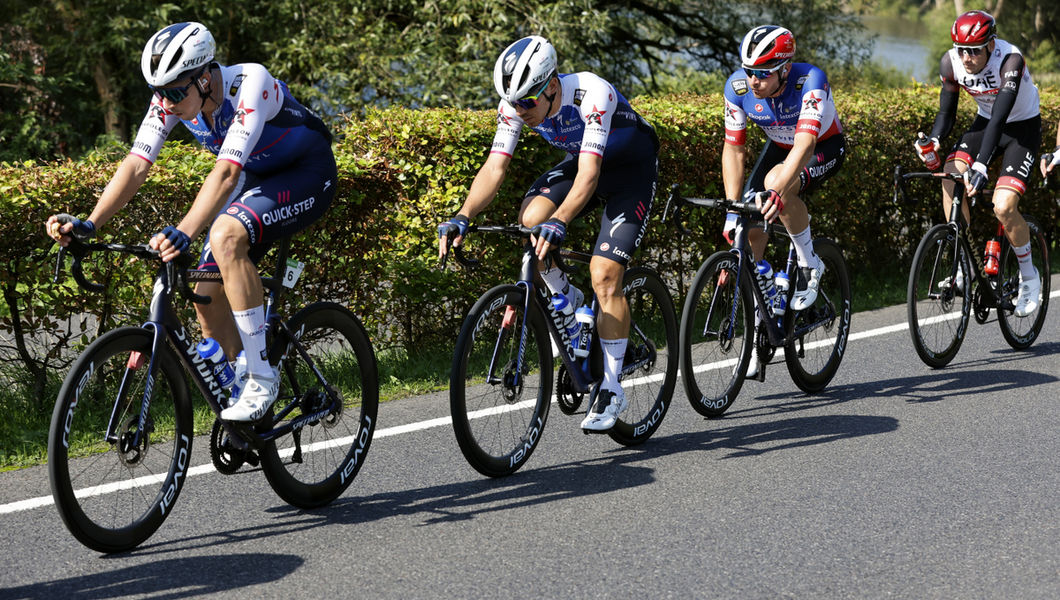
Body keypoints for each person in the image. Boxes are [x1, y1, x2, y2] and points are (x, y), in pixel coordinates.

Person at [45, 22, 336, 421]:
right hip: (256, 176)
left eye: (175, 92)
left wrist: (183, 231)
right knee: (204, 292)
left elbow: (226, 174)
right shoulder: (171, 99)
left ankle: (262, 377)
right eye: (157, 93)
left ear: (204, 77)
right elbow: (135, 165)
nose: (165, 104)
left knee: (226, 235)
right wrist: (90, 223)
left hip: (306, 172)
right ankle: (244, 403)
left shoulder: (249, 83)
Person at [437, 35, 659, 431]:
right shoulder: (515, 105)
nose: (520, 112)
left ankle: (610, 386)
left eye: (528, 102)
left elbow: (590, 176)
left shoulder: (593, 94)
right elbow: (494, 167)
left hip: (629, 171)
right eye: (514, 103)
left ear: (552, 85)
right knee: (531, 219)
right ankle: (566, 298)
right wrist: (463, 215)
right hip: (584, 163)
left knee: (605, 275)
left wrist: (561, 221)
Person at [721, 25, 846, 377]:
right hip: (779, 146)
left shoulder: (810, 81)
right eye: (749, 71)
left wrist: (778, 190)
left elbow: (805, 145)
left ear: (785, 69)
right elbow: (734, 148)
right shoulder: (737, 88)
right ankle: (763, 323)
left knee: (778, 186)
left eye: (762, 73)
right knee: (748, 224)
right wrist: (733, 206)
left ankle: (810, 262)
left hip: (821, 148)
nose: (753, 80)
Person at [913, 10, 1042, 317]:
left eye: (973, 50)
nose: (966, 57)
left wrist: (982, 166)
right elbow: (947, 114)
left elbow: (1001, 115)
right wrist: (934, 139)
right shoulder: (950, 62)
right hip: (985, 124)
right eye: (961, 50)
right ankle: (964, 266)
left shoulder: (1010, 60)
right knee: (950, 175)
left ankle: (1029, 278)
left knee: (1003, 206)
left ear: (991, 45)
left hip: (1020, 129)